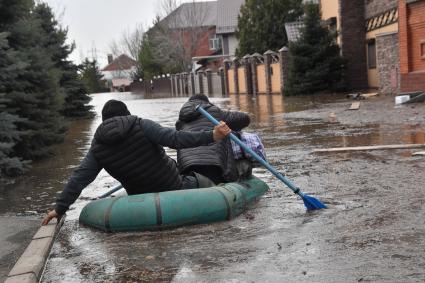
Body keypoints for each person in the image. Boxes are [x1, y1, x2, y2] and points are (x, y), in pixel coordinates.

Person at [42, 99, 231, 225]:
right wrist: (212, 135)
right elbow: (177, 139)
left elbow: (79, 178)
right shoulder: (141, 125)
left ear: (104, 120)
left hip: (138, 197)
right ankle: (221, 189)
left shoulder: (98, 146)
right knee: (201, 180)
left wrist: (59, 208)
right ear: (126, 113)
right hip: (173, 186)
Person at [175, 94, 250, 185]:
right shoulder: (215, 112)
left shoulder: (180, 122)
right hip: (215, 167)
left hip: (187, 169)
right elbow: (245, 119)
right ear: (207, 103)